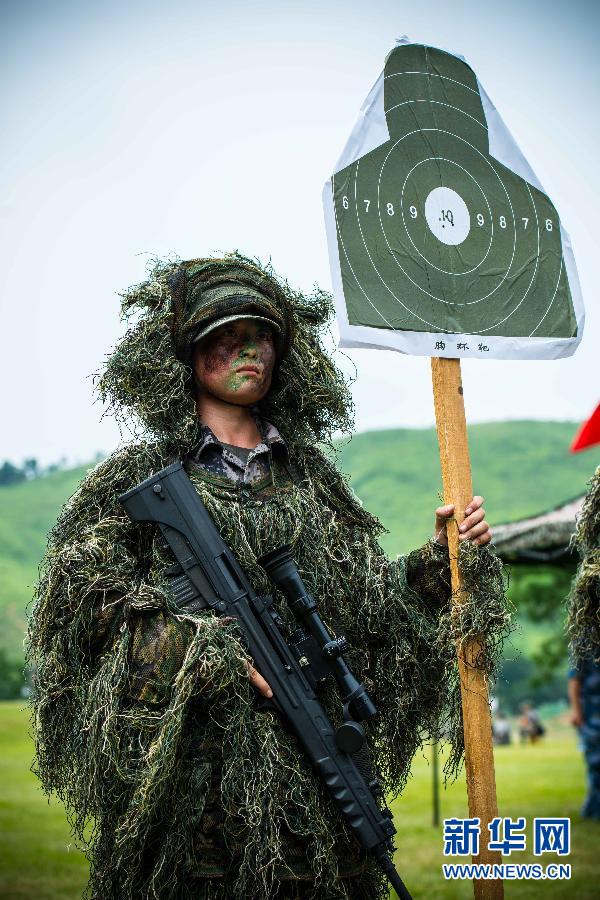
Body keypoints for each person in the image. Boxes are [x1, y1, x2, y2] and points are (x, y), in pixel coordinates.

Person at [28, 255, 500, 900]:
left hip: (316, 821)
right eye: (226, 335)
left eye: (262, 336)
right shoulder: (134, 483)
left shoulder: (314, 483)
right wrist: (202, 647)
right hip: (192, 822)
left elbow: (365, 622)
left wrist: (440, 564)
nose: (249, 349)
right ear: (185, 354)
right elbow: (82, 610)